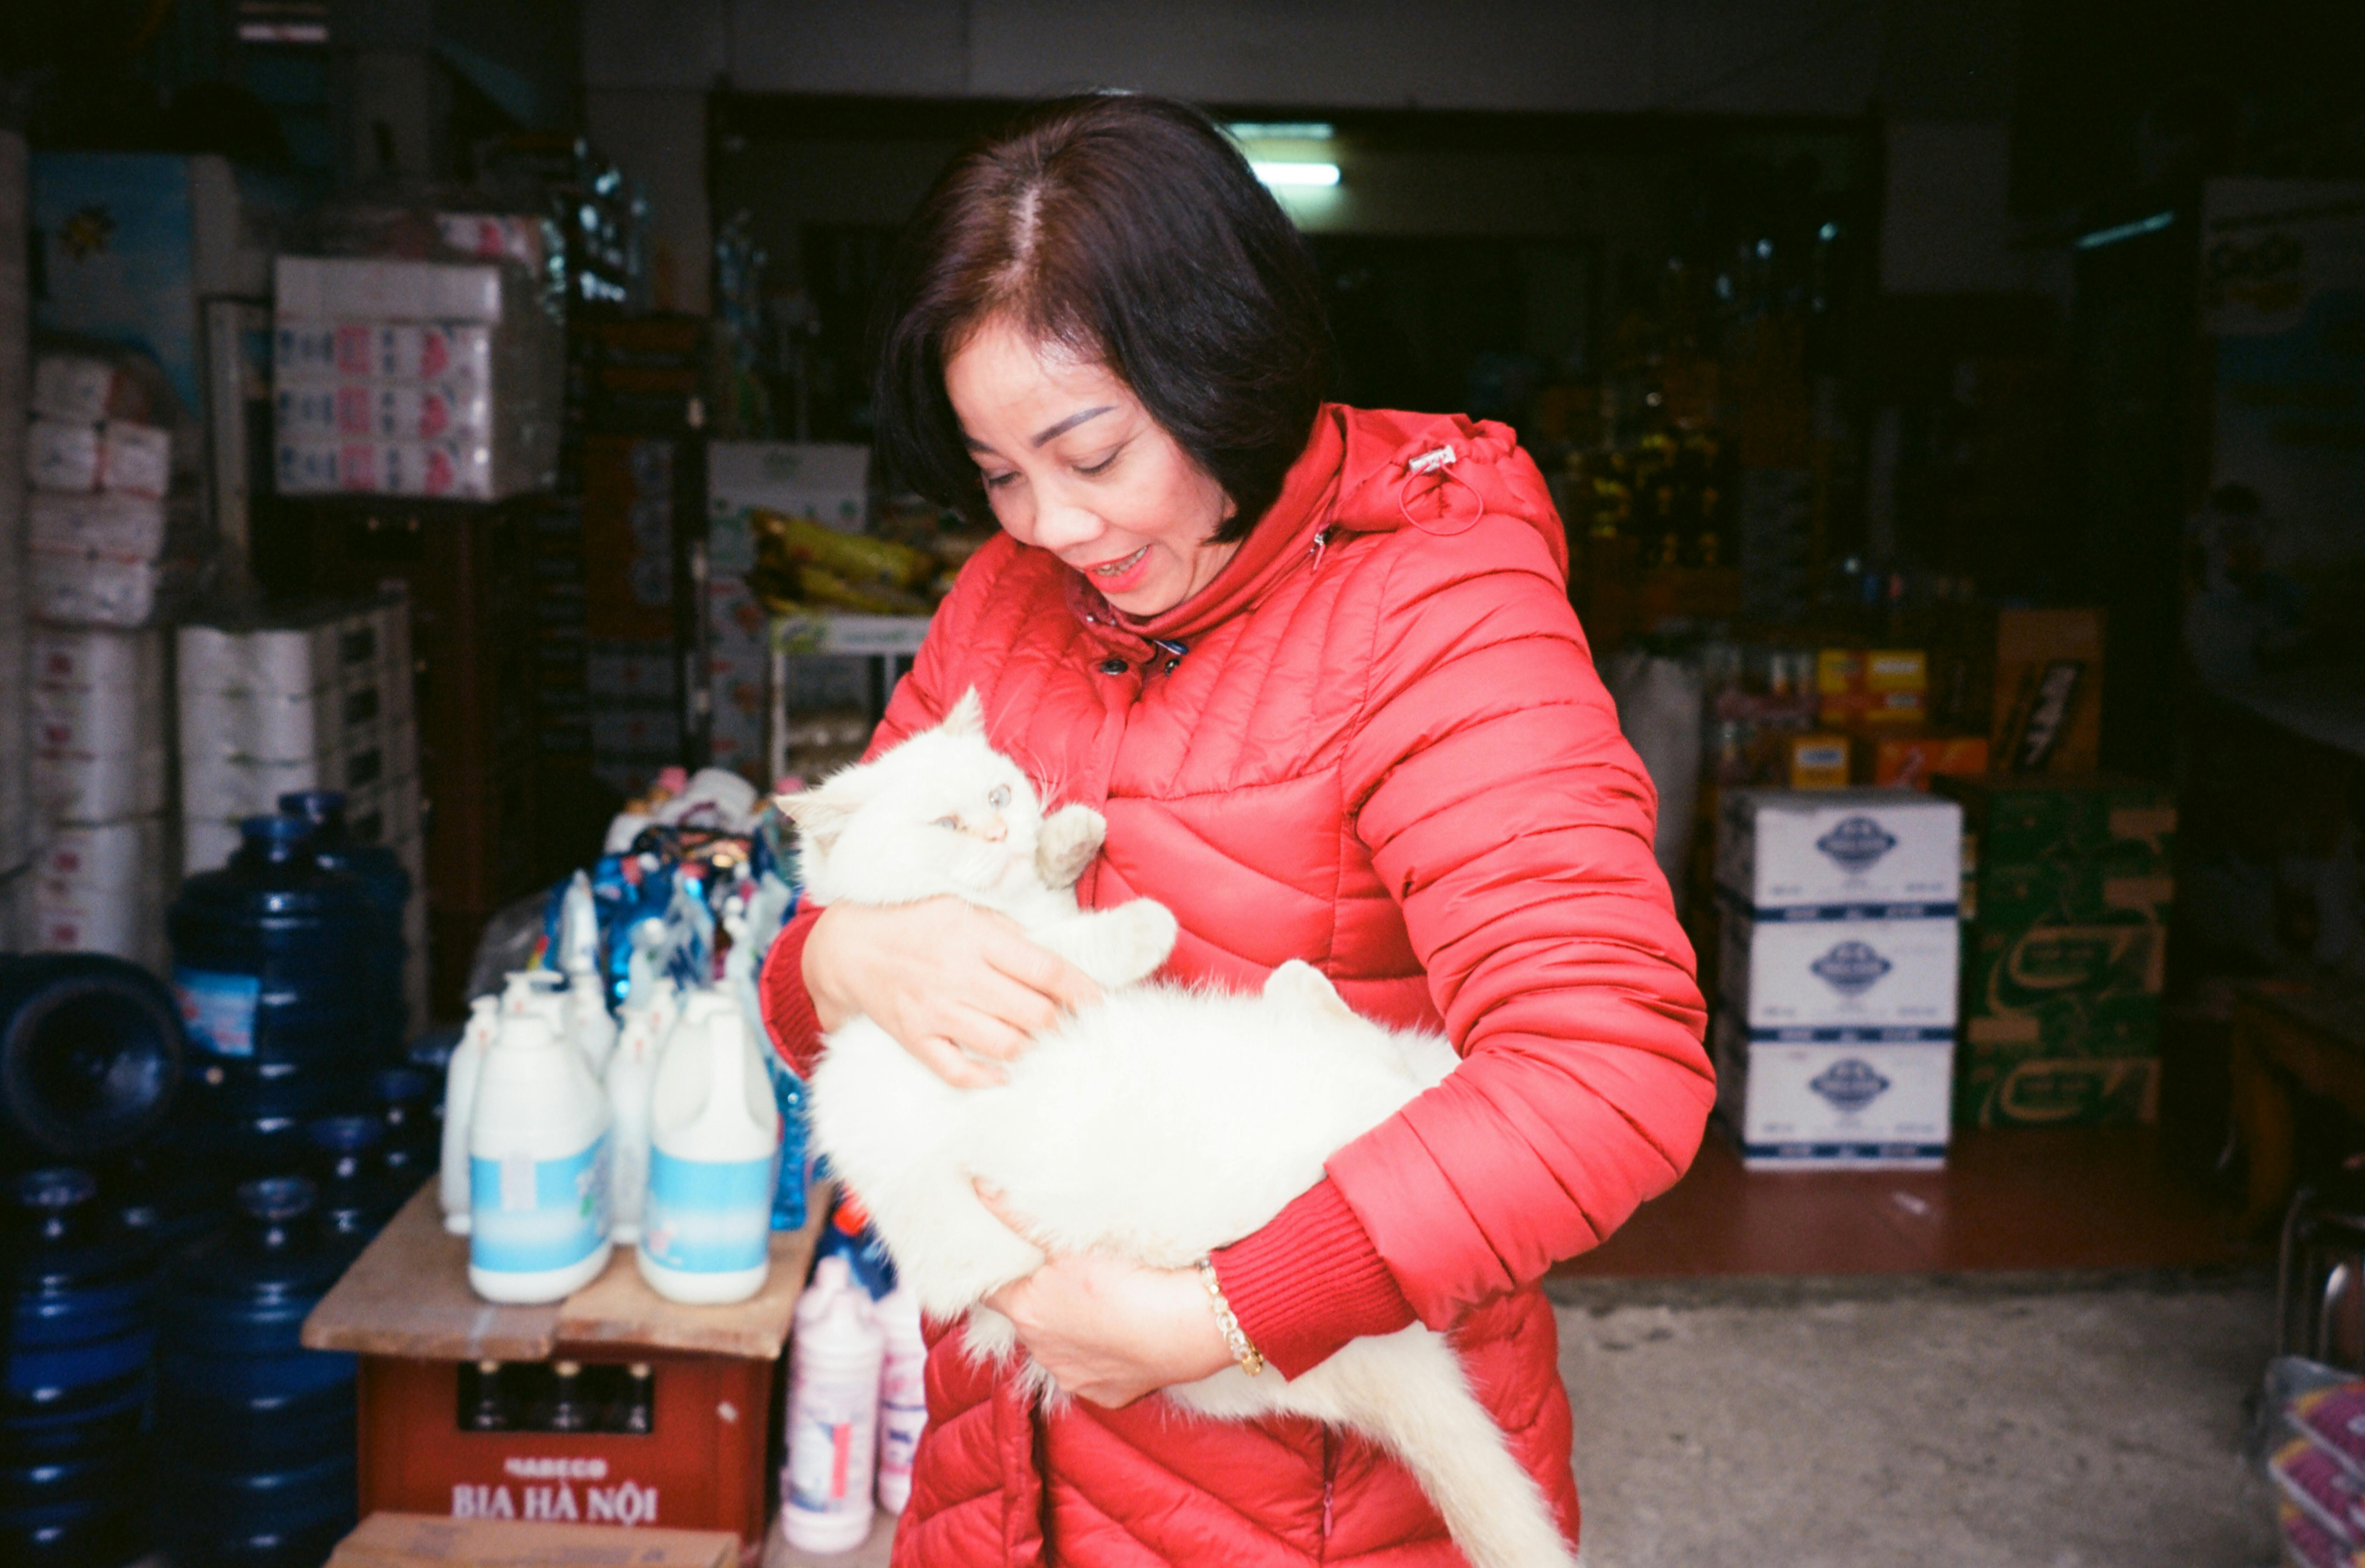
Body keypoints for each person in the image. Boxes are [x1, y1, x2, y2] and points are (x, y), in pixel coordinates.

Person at [759, 93, 1712, 1568]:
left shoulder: (1434, 612)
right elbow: (816, 963)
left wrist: (1216, 1313)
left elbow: (1607, 1067)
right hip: (998, 1491)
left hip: (1310, 1503)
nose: (1048, 526)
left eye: (1090, 452)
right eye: (997, 470)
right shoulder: (1004, 607)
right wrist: (846, 968)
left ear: (1222, 370)